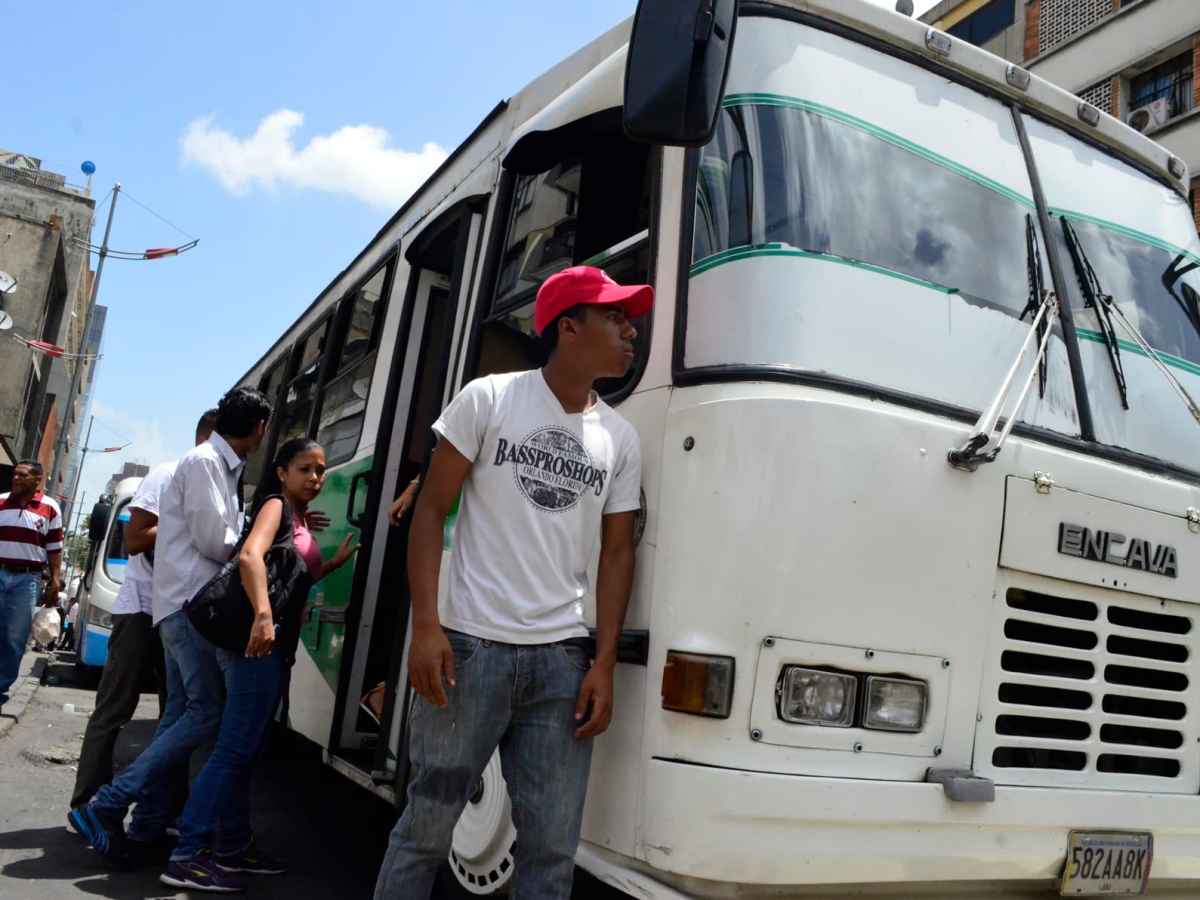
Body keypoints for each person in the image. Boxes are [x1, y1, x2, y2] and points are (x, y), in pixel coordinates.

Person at [373, 265, 648, 899]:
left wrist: (603, 662)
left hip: (562, 664)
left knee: (551, 851)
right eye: (615, 317)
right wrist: (426, 627)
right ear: (569, 327)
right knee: (426, 826)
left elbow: (616, 555)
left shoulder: (622, 438)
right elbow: (430, 512)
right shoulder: (489, 398)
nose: (629, 329)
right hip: (469, 651)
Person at [70, 388, 272, 864]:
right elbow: (214, 541)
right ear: (259, 427)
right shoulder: (204, 463)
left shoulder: (221, 466)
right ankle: (108, 802)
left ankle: (145, 823)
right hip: (188, 607)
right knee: (205, 713)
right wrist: (254, 541)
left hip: (183, 607)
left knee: (182, 714)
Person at [161, 437, 356, 892]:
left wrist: (333, 562)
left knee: (243, 753)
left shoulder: (298, 515)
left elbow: (292, 574)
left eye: (321, 470)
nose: (316, 478)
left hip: (270, 649)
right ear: (282, 472)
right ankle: (187, 852)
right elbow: (250, 556)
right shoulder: (275, 506)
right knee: (232, 751)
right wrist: (264, 616)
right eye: (305, 468)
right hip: (255, 647)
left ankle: (232, 848)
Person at [70, 409, 219, 813]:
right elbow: (136, 539)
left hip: (182, 614)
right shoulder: (168, 475)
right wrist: (192, 526)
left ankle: (160, 813)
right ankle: (88, 804)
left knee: (179, 715)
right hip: (142, 609)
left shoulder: (219, 485)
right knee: (116, 707)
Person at [0, 461, 62, 716]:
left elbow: (54, 549)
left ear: (37, 479)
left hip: (27, 580)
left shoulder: (50, 508)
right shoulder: (1, 501)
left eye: (22, 475)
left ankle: (1, 687)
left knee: (14, 638)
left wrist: (55, 580)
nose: (15, 478)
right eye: (14, 474)